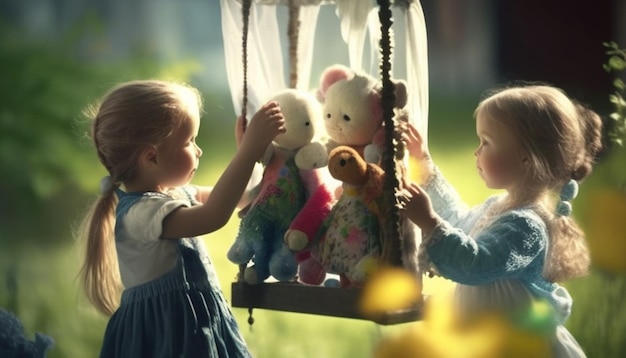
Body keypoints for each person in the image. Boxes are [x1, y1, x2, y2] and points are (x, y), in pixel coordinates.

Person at [77, 79, 285, 357]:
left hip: (195, 327)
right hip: (167, 337)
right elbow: (213, 216)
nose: (198, 150)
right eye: (189, 141)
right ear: (151, 158)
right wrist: (247, 151)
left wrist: (255, 155)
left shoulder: (177, 195)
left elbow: (242, 197)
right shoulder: (141, 214)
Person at [400, 85, 602, 357]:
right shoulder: (500, 208)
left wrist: (429, 222)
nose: (476, 151)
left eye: (486, 142)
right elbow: (459, 220)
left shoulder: (527, 228)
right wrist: (424, 165)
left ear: (525, 157)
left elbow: (475, 263)